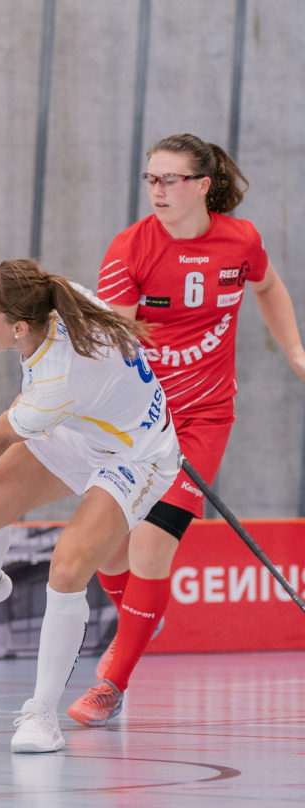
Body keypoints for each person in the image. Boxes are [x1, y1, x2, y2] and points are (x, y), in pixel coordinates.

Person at [69, 133, 305, 726]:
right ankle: (140, 622)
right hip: (138, 418)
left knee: (152, 544)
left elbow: (269, 288)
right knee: (108, 547)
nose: (157, 190)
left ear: (202, 186)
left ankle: (112, 682)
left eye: (170, 179)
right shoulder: (129, 249)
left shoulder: (240, 239)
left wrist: (296, 352)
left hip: (203, 418)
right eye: (150, 179)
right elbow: (114, 342)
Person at [0, 259, 179, 753]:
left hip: (134, 457)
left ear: (17, 326)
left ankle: (41, 715)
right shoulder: (54, 300)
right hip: (80, 430)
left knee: (66, 569)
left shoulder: (57, 380)